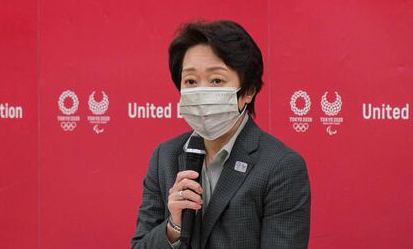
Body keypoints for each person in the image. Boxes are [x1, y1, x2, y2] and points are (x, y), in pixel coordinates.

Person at [131, 20, 310, 248]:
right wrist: (173, 227)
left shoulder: (281, 166)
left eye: (216, 80)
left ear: (248, 91)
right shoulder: (164, 157)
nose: (201, 91)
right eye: (191, 81)